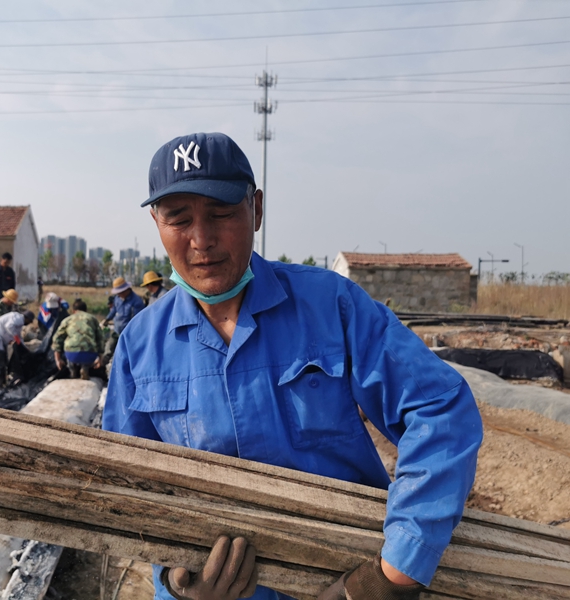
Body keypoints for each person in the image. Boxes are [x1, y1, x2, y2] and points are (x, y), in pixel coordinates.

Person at [102, 132, 483, 600]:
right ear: (157, 224)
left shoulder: (331, 306)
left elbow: (441, 410)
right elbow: (126, 487)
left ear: (257, 209)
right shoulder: (139, 345)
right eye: (179, 219)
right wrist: (176, 582)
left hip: (340, 586)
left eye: (221, 213)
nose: (201, 240)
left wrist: (390, 576)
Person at [52, 298, 105, 380]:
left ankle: (72, 370)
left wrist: (58, 359)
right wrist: (100, 358)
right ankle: (85, 368)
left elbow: (57, 338)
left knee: (70, 345)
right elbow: (100, 338)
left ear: (73, 311)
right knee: (88, 348)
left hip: (72, 354)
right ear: (86, 310)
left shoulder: (67, 320)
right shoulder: (92, 319)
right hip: (89, 353)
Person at [0, 309, 35, 388]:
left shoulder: (18, 322)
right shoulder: (19, 318)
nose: (28, 323)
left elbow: (19, 337)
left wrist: (25, 348)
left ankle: (2, 382)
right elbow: (9, 326)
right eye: (29, 321)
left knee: (3, 360)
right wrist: (15, 337)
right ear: (27, 318)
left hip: (1, 339)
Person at [102, 277, 145, 362]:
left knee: (125, 354)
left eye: (119, 292)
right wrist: (107, 319)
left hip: (128, 334)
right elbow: (114, 310)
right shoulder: (117, 298)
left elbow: (138, 321)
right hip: (117, 330)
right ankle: (103, 364)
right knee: (109, 348)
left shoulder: (137, 301)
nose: (118, 294)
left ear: (125, 290)